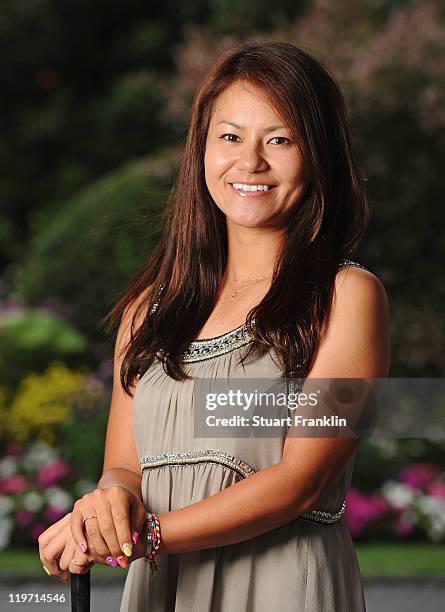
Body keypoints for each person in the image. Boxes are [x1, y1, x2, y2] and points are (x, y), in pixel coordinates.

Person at [38, 39, 390, 611]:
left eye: (280, 139)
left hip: (280, 588)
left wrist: (147, 537)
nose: (250, 162)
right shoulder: (148, 312)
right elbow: (124, 468)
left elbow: (299, 480)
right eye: (230, 137)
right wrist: (102, 511)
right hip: (161, 587)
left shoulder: (347, 297)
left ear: (318, 154)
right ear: (201, 150)